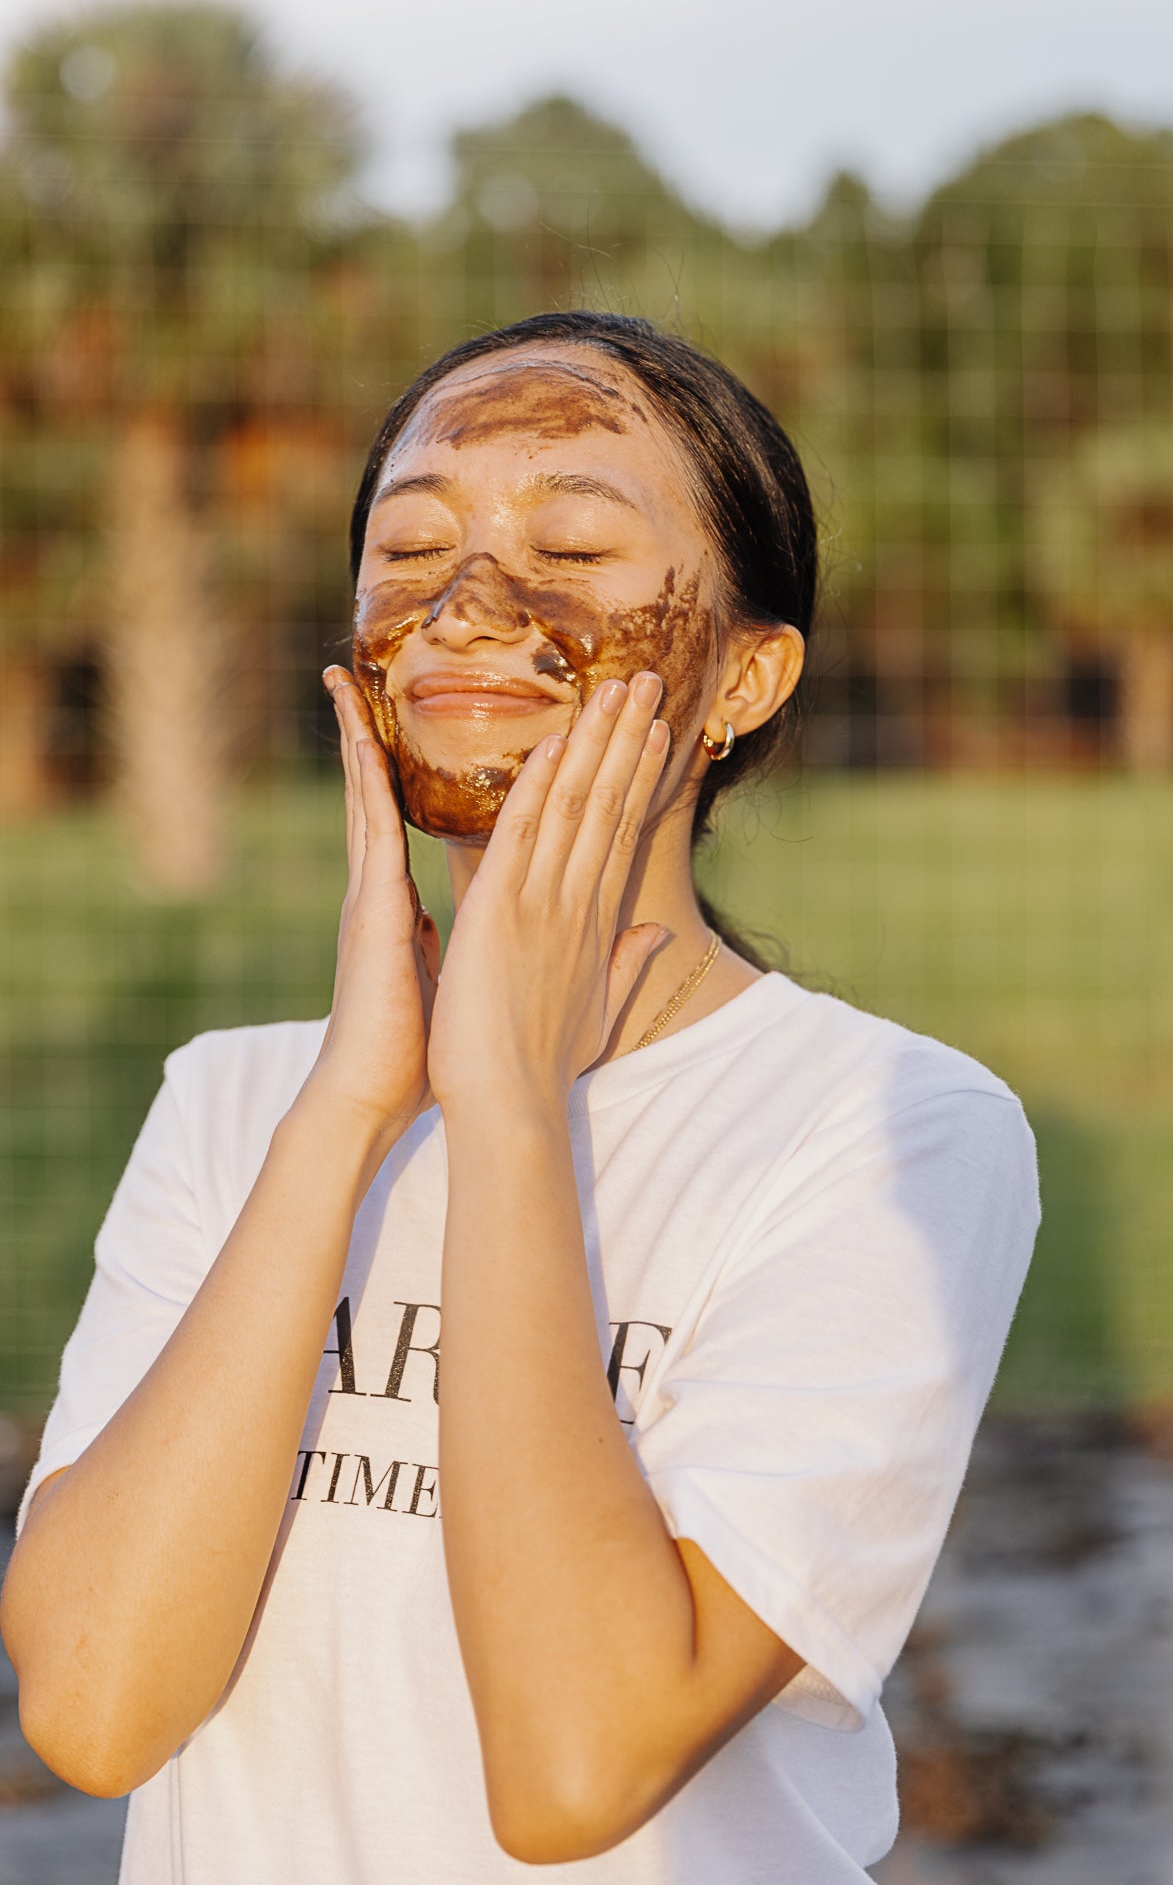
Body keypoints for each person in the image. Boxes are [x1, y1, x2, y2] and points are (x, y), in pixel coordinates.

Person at [0, 311, 1040, 1883]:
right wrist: (350, 1115)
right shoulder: (238, 1103)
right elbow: (95, 1710)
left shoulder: (885, 1128)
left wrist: (503, 1114)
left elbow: (575, 1770)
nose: (472, 606)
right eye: (410, 546)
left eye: (575, 543)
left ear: (745, 679)